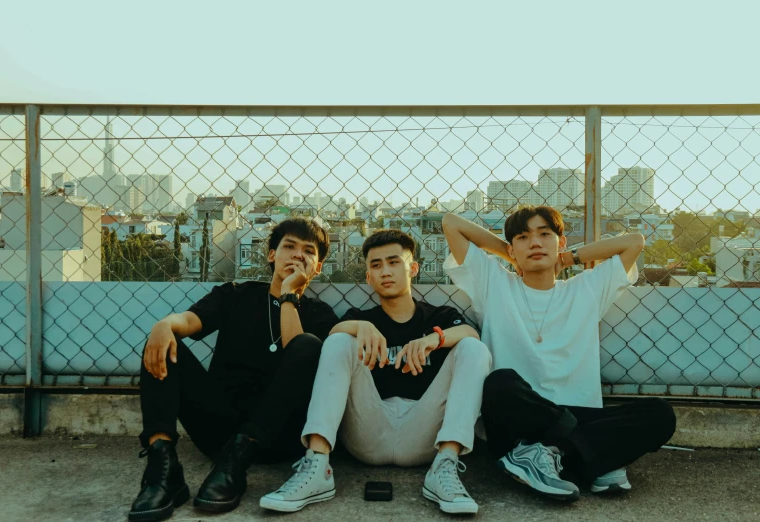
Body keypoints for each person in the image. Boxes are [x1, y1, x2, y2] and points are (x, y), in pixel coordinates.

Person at [442, 206, 676, 501]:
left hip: (575, 416)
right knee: (499, 383)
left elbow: (635, 242)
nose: (536, 243)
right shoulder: (494, 283)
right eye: (524, 237)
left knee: (661, 414)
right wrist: (509, 253)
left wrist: (570, 259)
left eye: (545, 235)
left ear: (561, 242)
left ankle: (560, 456)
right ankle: (597, 458)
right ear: (512, 248)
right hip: (519, 427)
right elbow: (451, 223)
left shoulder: (585, 289)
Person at [260, 229, 492, 515]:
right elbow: (334, 334)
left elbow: (471, 333)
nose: (385, 271)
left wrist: (434, 339)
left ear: (413, 268)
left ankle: (445, 466)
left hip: (426, 433)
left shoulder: (438, 316)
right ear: (368, 277)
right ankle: (318, 464)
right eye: (376, 265)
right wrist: (361, 327)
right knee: (340, 340)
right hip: (368, 432)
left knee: (474, 349)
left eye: (394, 262)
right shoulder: (361, 317)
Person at [128, 218, 339, 521]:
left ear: (317, 268)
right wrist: (163, 325)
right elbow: (187, 322)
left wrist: (289, 296)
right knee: (162, 343)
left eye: (308, 251)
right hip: (217, 430)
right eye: (289, 247)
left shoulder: (320, 314)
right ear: (271, 255)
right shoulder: (235, 295)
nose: (297, 255)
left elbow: (296, 350)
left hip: (277, 438)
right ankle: (162, 468)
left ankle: (237, 461)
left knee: (307, 344)